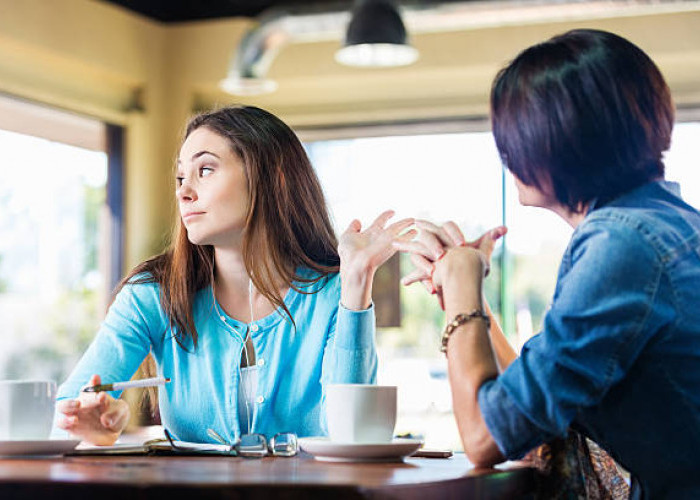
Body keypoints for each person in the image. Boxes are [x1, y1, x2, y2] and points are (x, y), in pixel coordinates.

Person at [398, 29, 700, 498]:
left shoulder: (619, 244)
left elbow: (485, 437)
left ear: (557, 138)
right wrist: (469, 300)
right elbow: (536, 396)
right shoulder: (667, 225)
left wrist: (460, 283)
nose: (506, 154)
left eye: (512, 135)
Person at [55, 105, 413, 446]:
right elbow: (71, 404)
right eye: (180, 177)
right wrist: (89, 421)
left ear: (273, 177)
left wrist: (356, 281)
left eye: (205, 170)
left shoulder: (334, 294)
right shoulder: (152, 294)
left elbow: (353, 433)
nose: (183, 191)